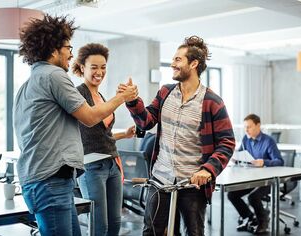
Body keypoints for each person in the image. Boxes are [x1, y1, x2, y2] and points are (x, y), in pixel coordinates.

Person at [13, 15, 137, 236]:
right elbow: (89, 118)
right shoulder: (54, 75)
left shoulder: (29, 83)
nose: (71, 53)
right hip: (49, 179)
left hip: (45, 179)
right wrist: (122, 98)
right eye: (68, 47)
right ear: (53, 50)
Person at [119, 35, 236, 236]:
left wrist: (208, 170)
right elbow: (146, 122)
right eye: (173, 59)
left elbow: (227, 142)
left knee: (194, 232)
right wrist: (132, 101)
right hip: (160, 180)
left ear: (194, 64)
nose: (172, 64)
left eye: (177, 60)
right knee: (151, 232)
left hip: (191, 183)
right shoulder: (165, 92)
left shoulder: (211, 102)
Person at [71, 43, 136, 236]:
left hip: (112, 165)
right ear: (82, 67)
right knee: (100, 225)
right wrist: (121, 98)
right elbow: (90, 122)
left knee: (115, 223)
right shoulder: (78, 94)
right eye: (94, 67)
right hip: (91, 167)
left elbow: (100, 135)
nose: (99, 72)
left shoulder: (100, 96)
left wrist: (124, 134)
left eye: (103, 67)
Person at [228, 114, 284, 234]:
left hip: (269, 181)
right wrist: (236, 159)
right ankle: (249, 217)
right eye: (245, 127)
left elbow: (280, 161)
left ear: (258, 125)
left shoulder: (268, 141)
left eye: (249, 127)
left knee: (253, 197)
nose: (246, 130)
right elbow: (241, 155)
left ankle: (263, 222)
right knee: (232, 194)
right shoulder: (246, 139)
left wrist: (264, 162)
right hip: (252, 179)